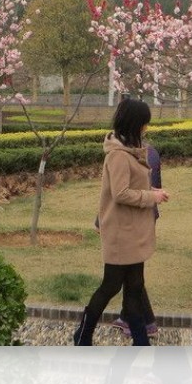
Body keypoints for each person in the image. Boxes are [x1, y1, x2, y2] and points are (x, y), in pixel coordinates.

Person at [73, 98, 170, 346]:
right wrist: (152, 196)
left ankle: (140, 340)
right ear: (135, 123)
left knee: (135, 286)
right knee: (111, 286)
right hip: (121, 232)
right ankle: (83, 334)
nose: (146, 127)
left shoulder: (132, 150)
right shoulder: (118, 155)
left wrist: (151, 190)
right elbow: (120, 193)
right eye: (144, 123)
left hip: (134, 230)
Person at [111, 141, 162, 338]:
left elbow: (118, 192)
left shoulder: (126, 154)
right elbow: (156, 188)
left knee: (129, 272)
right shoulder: (152, 152)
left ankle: (147, 322)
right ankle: (127, 317)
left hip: (132, 219)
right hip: (147, 216)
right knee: (130, 269)